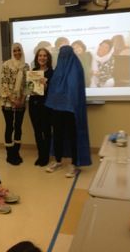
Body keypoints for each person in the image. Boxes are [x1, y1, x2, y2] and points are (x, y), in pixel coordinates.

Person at [45, 45, 92, 177]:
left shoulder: (77, 69)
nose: (63, 57)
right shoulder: (58, 69)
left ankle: (74, 164)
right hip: (57, 108)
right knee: (58, 135)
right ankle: (58, 161)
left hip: (71, 110)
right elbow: (54, 88)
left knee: (73, 137)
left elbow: (75, 89)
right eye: (61, 54)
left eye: (66, 54)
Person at [1, 42, 30, 165]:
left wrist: (22, 100)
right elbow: (4, 84)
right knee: (10, 127)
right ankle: (9, 154)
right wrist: (13, 100)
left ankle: (16, 152)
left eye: (19, 50)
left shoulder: (26, 66)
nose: (17, 53)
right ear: (12, 52)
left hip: (21, 102)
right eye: (15, 51)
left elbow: (27, 85)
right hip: (8, 102)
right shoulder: (6, 64)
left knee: (18, 127)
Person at [28, 48, 54, 166]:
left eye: (44, 56)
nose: (42, 58)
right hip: (33, 106)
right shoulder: (33, 71)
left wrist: (47, 85)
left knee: (46, 132)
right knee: (37, 132)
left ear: (48, 58)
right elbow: (31, 90)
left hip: (46, 107)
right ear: (37, 58)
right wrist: (29, 88)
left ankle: (46, 156)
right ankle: (40, 155)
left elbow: (56, 92)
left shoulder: (52, 73)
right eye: (40, 56)